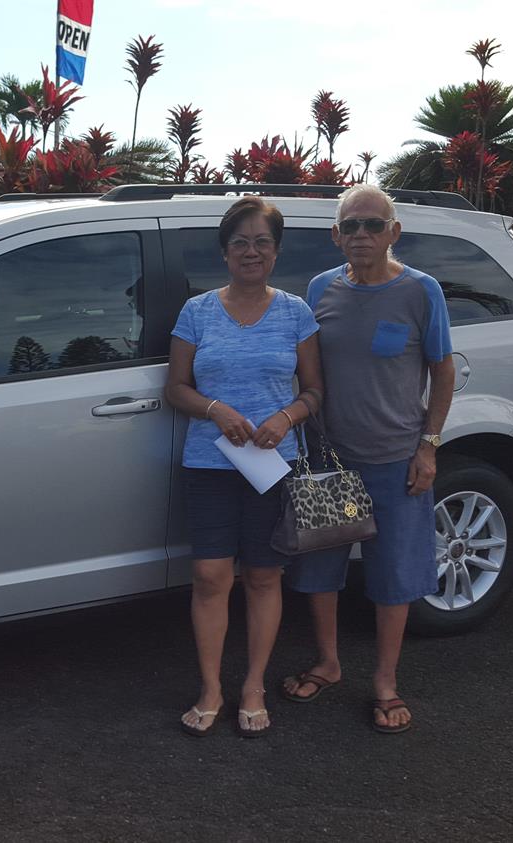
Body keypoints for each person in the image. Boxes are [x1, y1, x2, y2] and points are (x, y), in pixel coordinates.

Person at [282, 184, 455, 734]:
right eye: (351, 226)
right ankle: (329, 663)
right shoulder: (319, 289)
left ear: (394, 233)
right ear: (335, 235)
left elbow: (443, 371)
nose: (361, 235)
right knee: (322, 569)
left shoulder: (421, 292)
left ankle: (384, 680)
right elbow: (305, 365)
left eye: (373, 225)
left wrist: (428, 446)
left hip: (396, 458)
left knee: (393, 576)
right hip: (328, 457)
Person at [166, 196, 324, 738]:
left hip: (272, 464)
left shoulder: (295, 312)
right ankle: (211, 686)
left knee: (262, 575)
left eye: (261, 242)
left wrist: (287, 417)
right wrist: (215, 409)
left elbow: (315, 391)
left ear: (275, 252)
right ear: (225, 252)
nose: (250, 251)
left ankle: (253, 684)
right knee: (210, 576)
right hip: (210, 462)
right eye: (240, 242)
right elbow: (176, 388)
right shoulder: (197, 312)